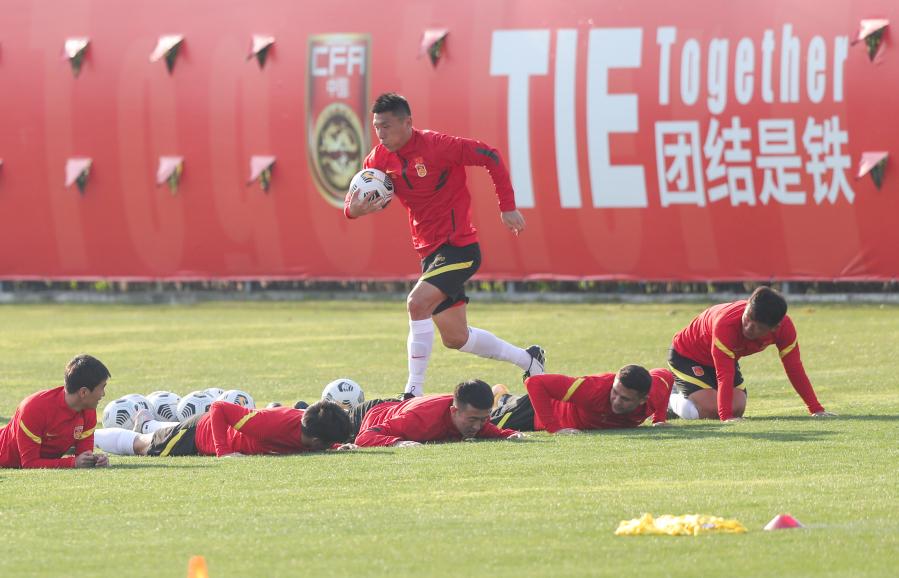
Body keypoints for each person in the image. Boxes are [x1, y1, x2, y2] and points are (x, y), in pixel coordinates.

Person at [344, 92, 545, 397]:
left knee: (416, 303)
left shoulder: (437, 146)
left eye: (386, 126)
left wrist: (507, 206)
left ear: (407, 123)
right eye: (376, 127)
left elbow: (489, 155)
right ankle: (528, 360)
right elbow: (354, 202)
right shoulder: (378, 160)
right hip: (429, 252)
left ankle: (412, 392)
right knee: (456, 337)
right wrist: (355, 210)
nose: (380, 134)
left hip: (459, 246)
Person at [666, 286, 836, 421]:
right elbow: (724, 374)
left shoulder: (785, 329)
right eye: (747, 318)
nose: (748, 327)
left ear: (774, 328)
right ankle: (669, 399)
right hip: (687, 355)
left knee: (738, 409)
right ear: (747, 305)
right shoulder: (725, 324)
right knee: (710, 411)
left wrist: (816, 409)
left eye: (758, 327)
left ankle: (690, 396)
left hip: (723, 358)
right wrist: (726, 417)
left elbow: (794, 368)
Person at [94, 400, 355, 457]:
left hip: (202, 429)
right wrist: (224, 452)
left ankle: (148, 423)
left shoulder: (310, 426)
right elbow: (219, 407)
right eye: (326, 444)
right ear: (316, 441)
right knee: (142, 445)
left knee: (152, 434)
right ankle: (86, 438)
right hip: (198, 435)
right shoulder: (271, 425)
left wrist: (337, 446)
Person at [0, 354, 111, 469]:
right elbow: (29, 464)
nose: (103, 394)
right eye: (102, 387)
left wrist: (95, 460)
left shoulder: (88, 410)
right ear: (83, 392)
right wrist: (72, 463)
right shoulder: (33, 409)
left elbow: (83, 456)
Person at [490, 366, 674, 433]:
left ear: (642, 399)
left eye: (625, 399)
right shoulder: (594, 389)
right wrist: (555, 428)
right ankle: (501, 398)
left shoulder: (653, 394)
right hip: (535, 413)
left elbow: (666, 374)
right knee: (484, 427)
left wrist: (659, 419)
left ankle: (501, 396)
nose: (616, 400)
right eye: (615, 392)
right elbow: (534, 382)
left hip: (542, 408)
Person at [353, 379, 524, 447]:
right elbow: (364, 437)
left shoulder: (473, 418)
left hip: (400, 405)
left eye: (484, 419)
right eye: (473, 420)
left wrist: (509, 435)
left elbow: (491, 430)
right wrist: (397, 443)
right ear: (454, 411)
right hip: (367, 415)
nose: (477, 426)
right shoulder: (417, 419)